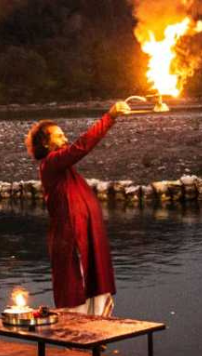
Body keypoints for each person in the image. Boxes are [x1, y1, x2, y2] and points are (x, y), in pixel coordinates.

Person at [24, 101, 131, 316]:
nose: (65, 139)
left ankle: (96, 334)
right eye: (59, 135)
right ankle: (77, 339)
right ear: (46, 144)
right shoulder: (50, 163)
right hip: (72, 237)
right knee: (78, 286)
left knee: (95, 281)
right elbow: (81, 147)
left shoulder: (63, 168)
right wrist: (109, 117)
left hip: (85, 234)